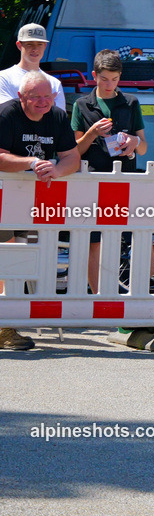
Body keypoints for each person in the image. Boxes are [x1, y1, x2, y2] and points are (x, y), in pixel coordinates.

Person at [0, 71, 80, 350]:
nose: (43, 102)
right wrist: (31, 162)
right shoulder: (6, 115)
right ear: (21, 97)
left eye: (48, 96)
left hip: (33, 204)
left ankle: (9, 321)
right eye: (36, 97)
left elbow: (72, 157)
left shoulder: (57, 117)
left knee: (24, 258)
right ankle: (4, 326)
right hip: (3, 198)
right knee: (5, 257)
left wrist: (57, 170)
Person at [71, 50, 148, 296]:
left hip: (125, 182)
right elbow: (74, 151)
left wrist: (134, 142)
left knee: (134, 236)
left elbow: (144, 147)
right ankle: (98, 297)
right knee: (94, 241)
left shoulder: (131, 103)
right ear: (94, 75)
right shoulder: (81, 105)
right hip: (92, 182)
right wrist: (92, 133)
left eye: (114, 79)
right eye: (104, 79)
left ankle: (144, 292)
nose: (109, 85)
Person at [0, 24, 66, 110]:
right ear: (19, 45)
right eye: (29, 44)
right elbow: (6, 112)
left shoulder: (54, 83)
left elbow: (60, 116)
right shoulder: (3, 78)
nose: (35, 49)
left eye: (39, 44)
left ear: (45, 46)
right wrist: (48, 104)